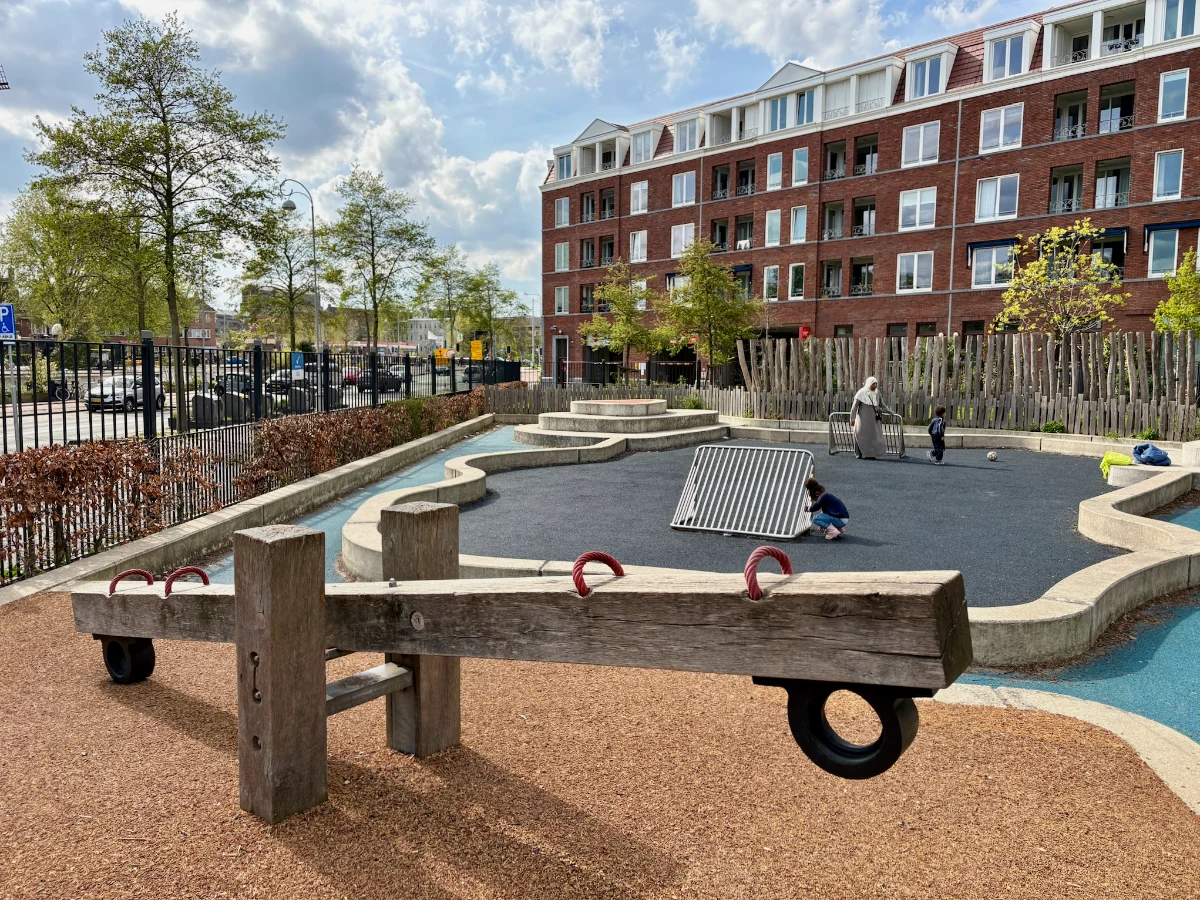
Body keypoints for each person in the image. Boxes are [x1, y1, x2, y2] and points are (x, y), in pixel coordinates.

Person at [850, 376, 893, 459]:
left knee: (873, 437)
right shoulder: (861, 392)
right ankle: (860, 453)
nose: (875, 385)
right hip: (863, 419)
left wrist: (889, 412)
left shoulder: (877, 392)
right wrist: (852, 418)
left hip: (873, 419)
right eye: (873, 384)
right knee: (860, 435)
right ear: (869, 384)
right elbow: (854, 407)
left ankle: (872, 454)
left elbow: (881, 404)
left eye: (876, 383)